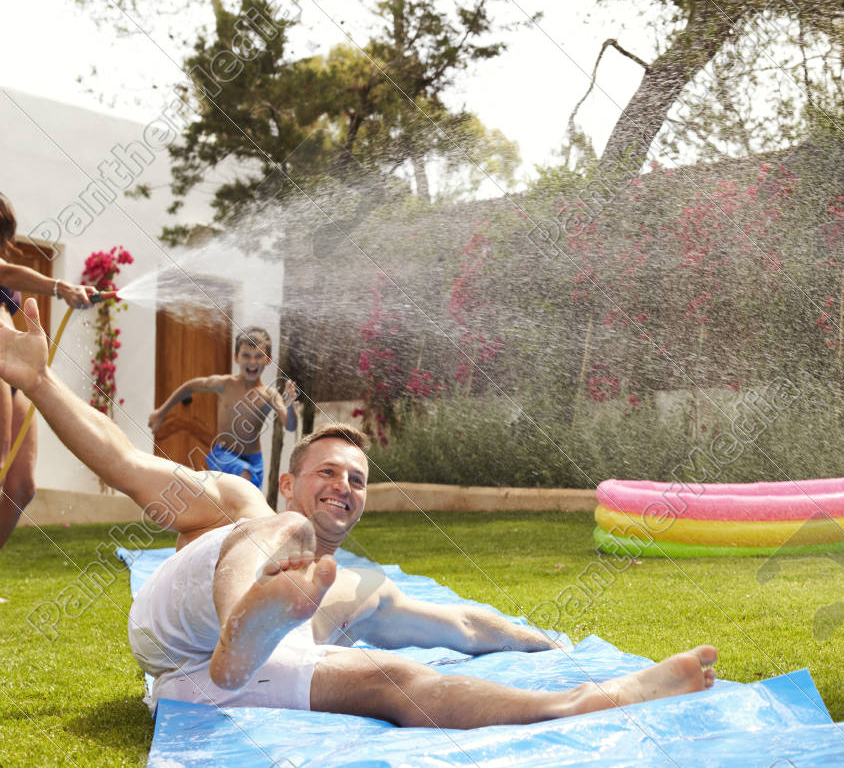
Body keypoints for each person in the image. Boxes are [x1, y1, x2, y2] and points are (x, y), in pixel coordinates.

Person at [0, 296, 717, 728]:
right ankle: (241, 620)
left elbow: (465, 625)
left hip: (207, 691)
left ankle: (584, 703)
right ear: (288, 478)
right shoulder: (237, 499)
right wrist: (38, 381)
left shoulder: (349, 590)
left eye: (359, 481)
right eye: (329, 473)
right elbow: (123, 461)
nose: (345, 486)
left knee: (392, 682)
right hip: (180, 629)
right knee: (282, 535)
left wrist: (548, 645)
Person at [0, 192, 97, 549]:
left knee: (21, 486)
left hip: (14, 374)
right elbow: (7, 271)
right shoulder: (5, 268)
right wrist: (59, 286)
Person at [148, 326, 297, 488]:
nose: (252, 362)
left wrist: (289, 406)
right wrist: (160, 412)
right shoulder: (224, 384)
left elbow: (289, 426)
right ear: (236, 357)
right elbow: (189, 387)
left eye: (258, 356)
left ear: (268, 359)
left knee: (249, 504)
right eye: (246, 355)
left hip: (254, 461)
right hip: (224, 454)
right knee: (244, 477)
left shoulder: (270, 394)